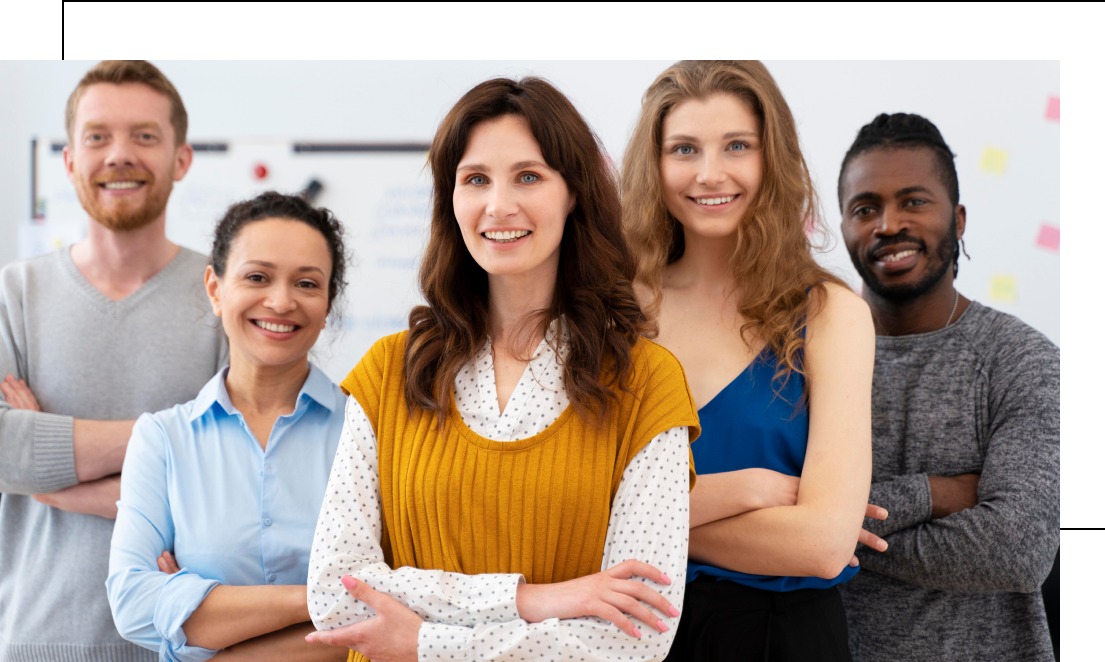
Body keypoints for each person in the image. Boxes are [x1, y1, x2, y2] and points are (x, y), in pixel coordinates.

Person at [304, 77, 700, 662]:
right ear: (452, 199)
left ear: (574, 194)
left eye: (529, 176)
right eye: (476, 180)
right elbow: (337, 594)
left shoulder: (646, 381)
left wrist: (426, 643)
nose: (498, 205)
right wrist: (532, 599)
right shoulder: (390, 370)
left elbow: (636, 635)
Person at [622, 60, 883, 661]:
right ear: (653, 165)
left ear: (773, 158)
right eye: (684, 148)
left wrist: (643, 527)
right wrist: (752, 489)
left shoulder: (830, 313)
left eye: (737, 145)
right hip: (629, 631)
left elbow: (821, 545)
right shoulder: (614, 311)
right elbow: (575, 505)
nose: (710, 173)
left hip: (783, 638)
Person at [0, 60, 226, 662]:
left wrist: (51, 483)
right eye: (97, 136)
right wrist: (174, 436)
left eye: (144, 136)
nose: (119, 154)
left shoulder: (229, 295)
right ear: (71, 160)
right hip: (35, 642)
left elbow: (238, 471)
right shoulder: (14, 294)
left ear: (181, 159)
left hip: (187, 645)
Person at [836, 112, 1059, 661]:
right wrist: (938, 493)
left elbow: (1015, 550)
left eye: (914, 201)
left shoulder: (1022, 360)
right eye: (866, 208)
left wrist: (820, 533)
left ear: (958, 220)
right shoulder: (802, 362)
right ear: (842, 227)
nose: (888, 225)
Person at [106, 192, 351, 662]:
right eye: (257, 277)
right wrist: (314, 600)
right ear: (216, 290)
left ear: (327, 303)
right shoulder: (163, 439)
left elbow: (388, 606)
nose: (281, 301)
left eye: (307, 283)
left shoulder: (364, 432)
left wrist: (195, 605)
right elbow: (133, 604)